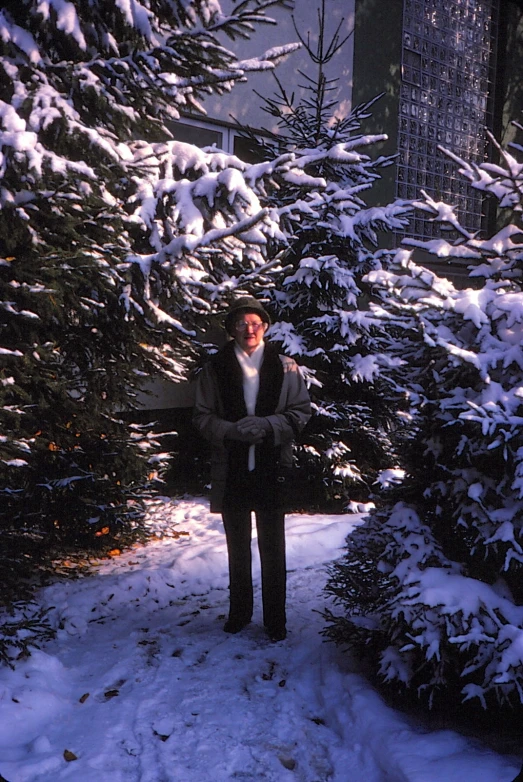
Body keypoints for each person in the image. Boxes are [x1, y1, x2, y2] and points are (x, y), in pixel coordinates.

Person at [193, 296, 311, 641]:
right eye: (242, 323)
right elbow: (201, 416)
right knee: (237, 546)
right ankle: (239, 613)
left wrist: (268, 425)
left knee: (273, 548)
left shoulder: (286, 367)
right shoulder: (215, 370)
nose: (249, 329)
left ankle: (276, 621)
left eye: (256, 323)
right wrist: (230, 430)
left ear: (266, 327)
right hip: (232, 470)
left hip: (272, 468)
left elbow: (301, 412)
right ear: (231, 329)